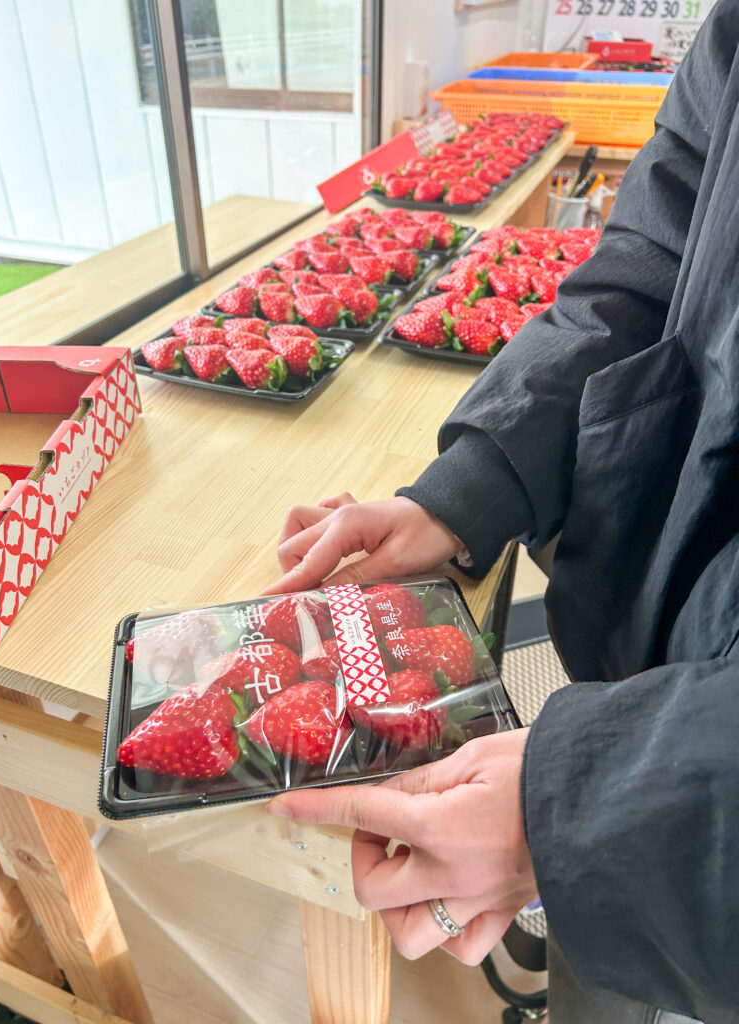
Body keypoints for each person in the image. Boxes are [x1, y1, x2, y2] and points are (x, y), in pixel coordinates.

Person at [262, 3, 739, 1021]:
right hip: (641, 707)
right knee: (605, 969)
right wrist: (469, 491)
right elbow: (648, 261)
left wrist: (586, 813)